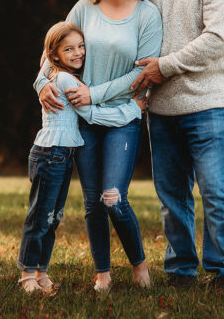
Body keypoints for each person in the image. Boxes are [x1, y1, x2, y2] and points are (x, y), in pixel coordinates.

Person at [36, 0, 163, 291]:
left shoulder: (147, 15)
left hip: (123, 116)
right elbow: (52, 53)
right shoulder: (83, 9)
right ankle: (103, 274)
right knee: (93, 202)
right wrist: (41, 85)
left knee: (113, 197)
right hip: (83, 121)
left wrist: (94, 94)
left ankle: (139, 265)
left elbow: (141, 74)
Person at [129, 0, 224, 294]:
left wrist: (165, 66)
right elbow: (129, 29)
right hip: (161, 107)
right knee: (171, 195)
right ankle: (181, 272)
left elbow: (215, 41)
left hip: (210, 101)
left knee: (213, 189)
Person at [18, 21, 147, 293]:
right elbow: (92, 114)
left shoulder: (64, 75)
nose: (78, 53)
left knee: (53, 216)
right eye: (69, 49)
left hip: (62, 155)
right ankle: (28, 275)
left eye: (81, 46)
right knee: (41, 216)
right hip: (50, 154)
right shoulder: (66, 80)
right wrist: (133, 110)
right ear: (54, 55)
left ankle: (41, 273)